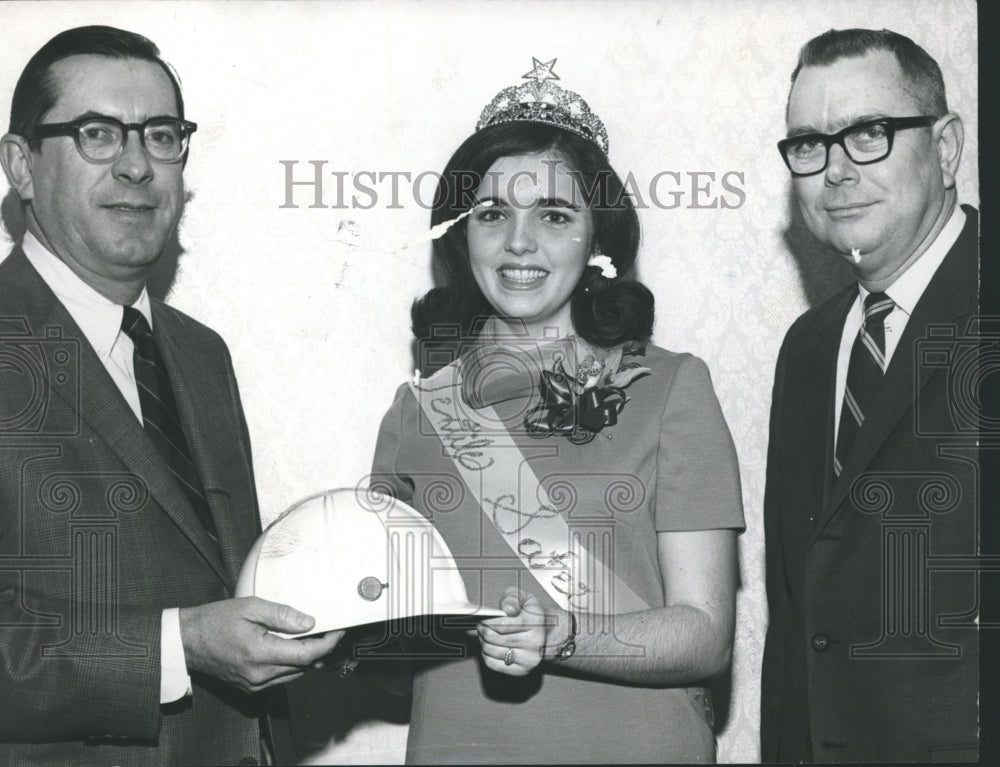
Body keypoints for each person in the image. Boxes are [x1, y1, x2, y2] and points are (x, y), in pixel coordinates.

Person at [368, 58, 745, 763]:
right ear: (461, 233)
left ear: (596, 238)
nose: (519, 242)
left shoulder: (671, 389)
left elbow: (704, 635)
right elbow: (393, 673)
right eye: (491, 214)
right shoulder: (416, 411)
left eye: (553, 214)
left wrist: (562, 633)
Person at [0, 26, 341, 765]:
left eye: (160, 135)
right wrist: (178, 644)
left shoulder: (198, 351)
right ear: (21, 166)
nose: (136, 165)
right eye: (97, 134)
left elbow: (218, 579)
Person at [762, 29, 978, 763]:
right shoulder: (810, 346)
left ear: (946, 147)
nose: (837, 172)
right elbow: (797, 611)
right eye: (810, 145)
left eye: (870, 135)